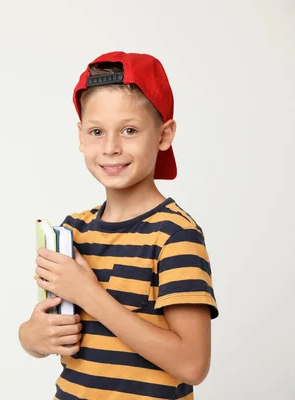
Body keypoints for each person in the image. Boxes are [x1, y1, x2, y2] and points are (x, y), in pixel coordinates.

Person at [18, 51, 219, 400]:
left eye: (129, 130)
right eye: (97, 131)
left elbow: (192, 365)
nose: (110, 148)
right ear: (81, 137)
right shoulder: (72, 231)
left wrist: (89, 294)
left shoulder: (175, 235)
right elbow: (49, 330)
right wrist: (32, 338)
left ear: (164, 135)